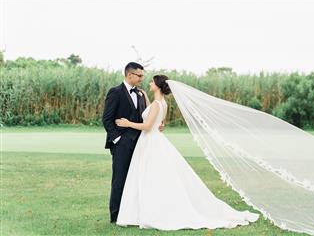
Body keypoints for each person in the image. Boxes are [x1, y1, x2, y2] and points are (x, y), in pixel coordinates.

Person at [115, 74, 259, 230]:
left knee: (150, 176)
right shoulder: (162, 103)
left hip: (150, 141)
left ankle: (152, 211)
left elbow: (148, 126)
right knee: (153, 176)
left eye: (152, 81)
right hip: (154, 141)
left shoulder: (157, 104)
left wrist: (127, 123)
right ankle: (146, 211)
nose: (149, 83)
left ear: (157, 85)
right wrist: (146, 99)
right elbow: (155, 116)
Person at [102, 62, 164, 223]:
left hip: (141, 143)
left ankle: (133, 214)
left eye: (143, 76)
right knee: (120, 180)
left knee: (137, 179)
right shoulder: (115, 92)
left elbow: (146, 117)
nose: (142, 79)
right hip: (122, 144)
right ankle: (116, 216)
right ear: (129, 75)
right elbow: (107, 119)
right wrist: (117, 140)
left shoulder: (142, 94)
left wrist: (158, 124)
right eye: (140, 76)